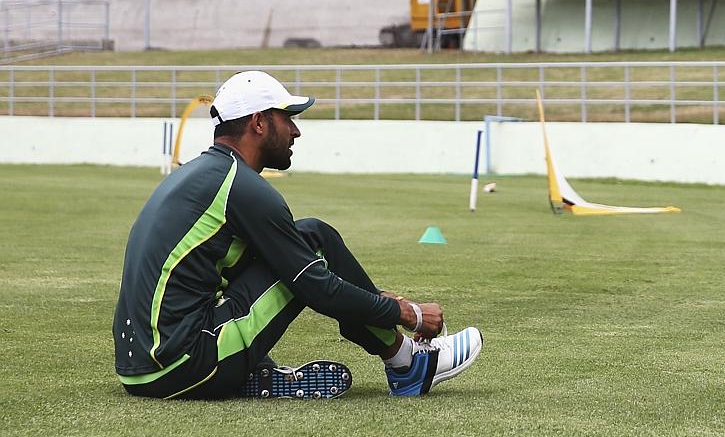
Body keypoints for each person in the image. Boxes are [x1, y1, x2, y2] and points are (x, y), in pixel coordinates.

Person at [114, 70, 482, 400]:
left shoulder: (195, 174)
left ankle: (262, 370)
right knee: (315, 248)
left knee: (309, 238)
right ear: (259, 123)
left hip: (140, 368)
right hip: (184, 364)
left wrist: (372, 297)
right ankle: (407, 364)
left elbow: (260, 266)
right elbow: (317, 287)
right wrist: (406, 312)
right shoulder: (242, 187)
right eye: (287, 118)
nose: (296, 130)